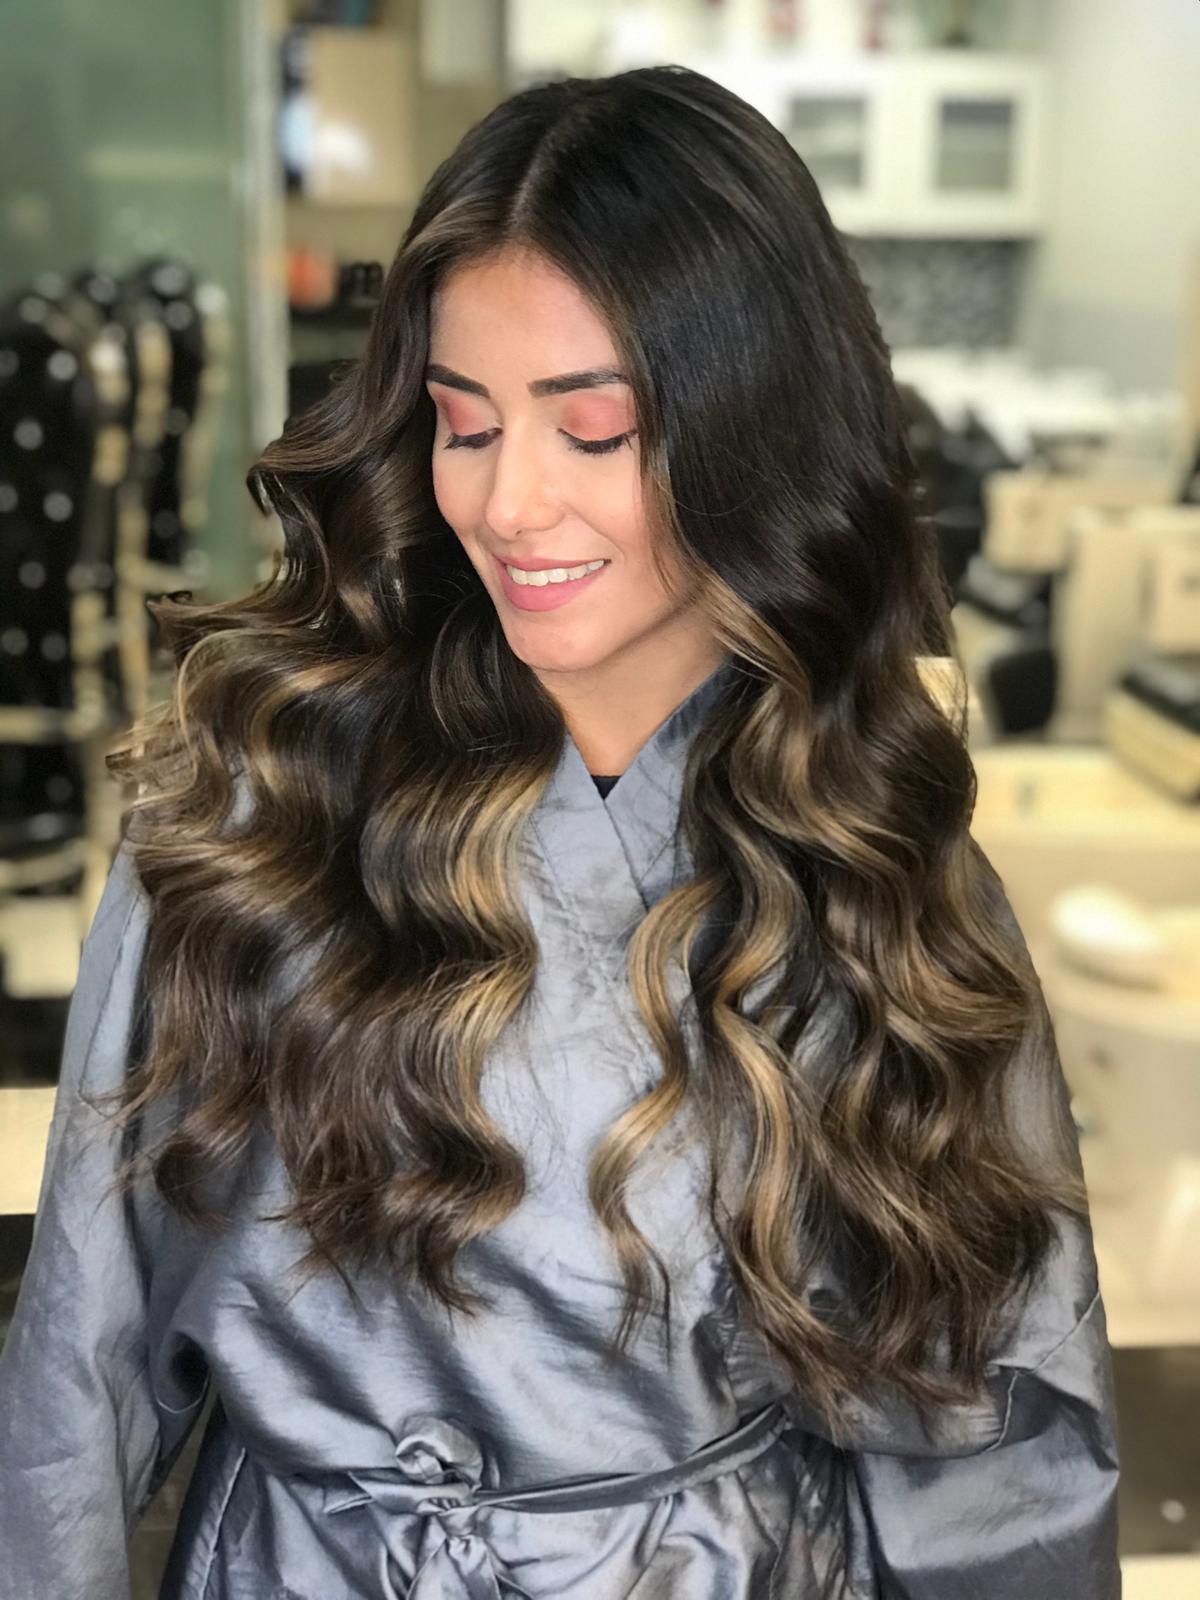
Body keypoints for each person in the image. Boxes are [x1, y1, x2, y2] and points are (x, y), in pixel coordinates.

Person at [0, 63, 1120, 1600]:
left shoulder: (868, 860)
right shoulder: (258, 807)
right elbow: (83, 1360)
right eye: (464, 427)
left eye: (592, 431)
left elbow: (991, 1443)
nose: (511, 504)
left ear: (753, 438)